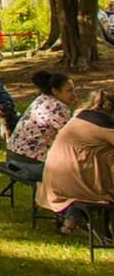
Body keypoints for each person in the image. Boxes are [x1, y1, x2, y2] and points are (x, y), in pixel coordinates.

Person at [36, 89, 114, 234]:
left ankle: (72, 221)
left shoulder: (79, 117)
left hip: (54, 181)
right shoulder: (105, 126)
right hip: (77, 186)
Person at [5, 71, 76, 181]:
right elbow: (74, 136)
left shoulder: (42, 99)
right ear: (55, 91)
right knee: (79, 172)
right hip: (30, 165)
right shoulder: (58, 107)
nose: (74, 94)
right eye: (69, 91)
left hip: (12, 158)